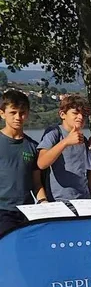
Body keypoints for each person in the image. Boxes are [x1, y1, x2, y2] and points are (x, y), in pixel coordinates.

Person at [0, 90, 45, 236]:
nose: (18, 117)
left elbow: (36, 183)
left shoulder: (32, 146)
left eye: (22, 112)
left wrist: (43, 203)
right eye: (13, 112)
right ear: (2, 113)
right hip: (3, 211)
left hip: (27, 211)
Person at [37, 94, 91, 203]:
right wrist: (66, 142)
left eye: (83, 115)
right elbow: (41, 163)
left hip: (83, 200)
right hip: (59, 201)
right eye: (75, 113)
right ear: (63, 114)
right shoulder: (54, 133)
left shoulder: (83, 139)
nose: (80, 117)